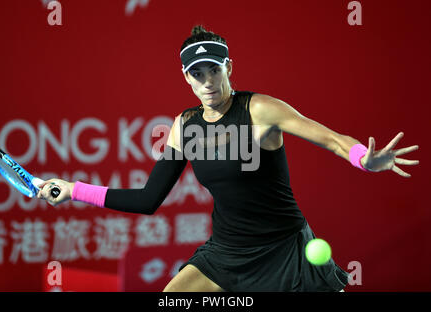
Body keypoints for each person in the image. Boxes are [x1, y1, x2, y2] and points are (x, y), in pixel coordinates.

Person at [38, 25, 419, 292]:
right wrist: (73, 190)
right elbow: (147, 199)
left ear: (229, 68)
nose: (207, 82)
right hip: (226, 253)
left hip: (286, 250)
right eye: (197, 74)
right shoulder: (184, 125)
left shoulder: (261, 109)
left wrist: (361, 158)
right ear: (186, 77)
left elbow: (331, 140)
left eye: (214, 71)